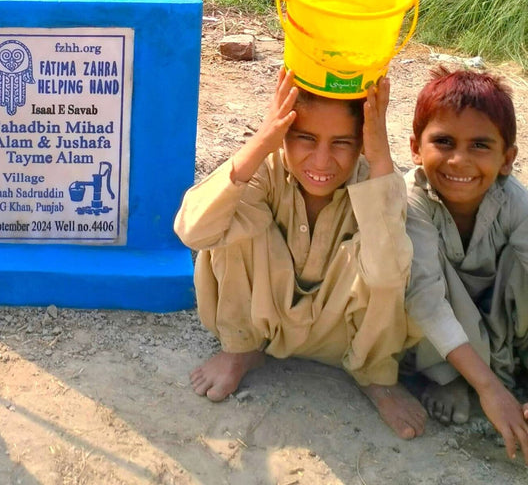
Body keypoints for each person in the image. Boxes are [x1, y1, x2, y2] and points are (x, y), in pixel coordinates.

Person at [174, 67, 427, 440]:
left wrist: (379, 160)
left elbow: (388, 275)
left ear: (361, 143)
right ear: (282, 134)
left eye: (342, 142)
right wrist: (262, 140)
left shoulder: (374, 180)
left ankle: (375, 374)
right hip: (264, 322)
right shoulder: (265, 169)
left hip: (337, 334)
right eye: (305, 138)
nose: (322, 162)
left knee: (385, 247)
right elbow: (193, 230)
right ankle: (240, 349)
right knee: (233, 216)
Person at [404, 68, 528, 462]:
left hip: (498, 328)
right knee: (404, 265)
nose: (459, 160)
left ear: (507, 159)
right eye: (443, 142)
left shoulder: (513, 203)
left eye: (480, 145)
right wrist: (491, 390)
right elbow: (425, 299)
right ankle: (452, 377)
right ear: (415, 149)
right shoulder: (412, 201)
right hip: (433, 335)